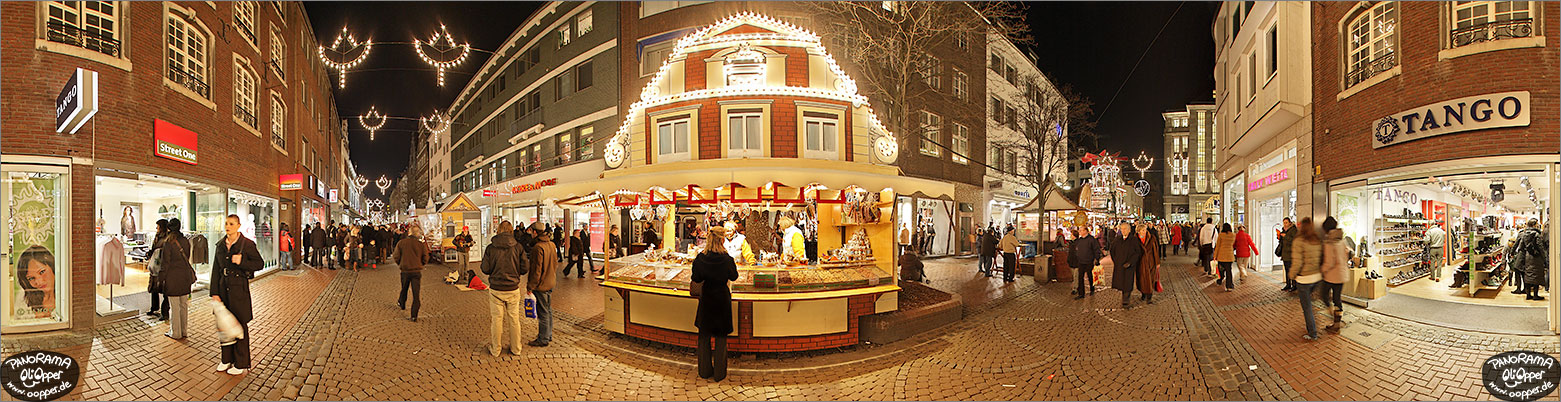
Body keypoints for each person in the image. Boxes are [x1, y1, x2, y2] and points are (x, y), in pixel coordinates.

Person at [212, 214, 263, 375]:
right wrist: (214, 292)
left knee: (240, 325)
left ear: (238, 226)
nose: (228, 226)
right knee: (224, 326)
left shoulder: (247, 245)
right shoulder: (220, 245)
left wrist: (242, 262)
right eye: (226, 223)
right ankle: (226, 359)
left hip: (239, 289)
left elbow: (259, 264)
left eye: (232, 224)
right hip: (223, 288)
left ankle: (241, 363)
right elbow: (215, 270)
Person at [692, 225, 738, 382]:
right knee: (721, 338)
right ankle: (719, 374)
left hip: (707, 299)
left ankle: (704, 371)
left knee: (703, 337)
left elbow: (696, 278)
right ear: (722, 240)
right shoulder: (727, 259)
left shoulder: (700, 258)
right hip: (722, 300)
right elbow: (734, 277)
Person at [480, 221, 529, 356]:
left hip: (496, 288)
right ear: (511, 230)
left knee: (496, 319)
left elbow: (485, 268)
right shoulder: (518, 247)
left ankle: (496, 349)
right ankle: (516, 348)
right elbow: (525, 268)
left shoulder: (491, 248)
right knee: (514, 319)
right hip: (513, 288)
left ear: (498, 230)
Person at [1288, 217, 1324, 340]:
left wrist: (1291, 275)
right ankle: (1313, 325)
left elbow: (1297, 262)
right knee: (1311, 305)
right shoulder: (1316, 239)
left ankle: (1312, 333)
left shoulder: (1299, 241)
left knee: (1307, 307)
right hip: (1317, 278)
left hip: (1304, 279)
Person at [161, 219, 196, 339]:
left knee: (174, 306)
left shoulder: (168, 242)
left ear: (169, 228)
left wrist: (161, 278)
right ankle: (184, 331)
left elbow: (165, 263)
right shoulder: (186, 241)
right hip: (185, 276)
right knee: (183, 305)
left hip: (172, 277)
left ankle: (175, 332)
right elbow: (188, 256)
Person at [527, 223, 560, 347]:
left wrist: (531, 286)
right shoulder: (551, 244)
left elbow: (536, 270)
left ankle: (543, 338)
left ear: (535, 232)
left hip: (541, 284)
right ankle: (548, 334)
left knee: (543, 312)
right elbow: (555, 263)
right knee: (548, 310)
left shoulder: (538, 247)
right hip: (551, 281)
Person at [1319, 217, 1348, 334]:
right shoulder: (1341, 240)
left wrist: (1322, 270)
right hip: (1342, 274)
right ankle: (1337, 323)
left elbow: (1329, 262)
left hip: (1332, 275)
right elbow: (1346, 254)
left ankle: (1334, 316)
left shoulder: (1329, 242)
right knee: (1337, 298)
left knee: (1324, 295)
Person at [1109, 223, 1145, 309]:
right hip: (1119, 265)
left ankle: (1126, 300)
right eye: (1122, 229)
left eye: (1125, 229)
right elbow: (1112, 251)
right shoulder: (1117, 240)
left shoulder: (1134, 240)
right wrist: (1116, 261)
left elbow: (1138, 253)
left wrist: (1131, 262)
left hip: (1129, 266)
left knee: (1128, 283)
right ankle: (1124, 297)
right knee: (1121, 282)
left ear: (1129, 230)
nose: (1123, 230)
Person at [1514, 219, 1548, 300]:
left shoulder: (1524, 234)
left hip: (1527, 257)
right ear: (1534, 224)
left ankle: (1528, 295)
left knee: (1528, 275)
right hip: (1536, 258)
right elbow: (1540, 247)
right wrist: (1545, 258)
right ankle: (1535, 295)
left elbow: (1521, 246)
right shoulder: (1537, 234)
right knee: (1536, 276)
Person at [147, 219, 171, 320]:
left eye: (158, 226)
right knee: (154, 288)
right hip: (155, 266)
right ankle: (154, 308)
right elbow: (154, 249)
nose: (156, 228)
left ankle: (165, 312)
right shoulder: (157, 237)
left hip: (163, 267)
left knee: (165, 290)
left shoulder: (167, 238)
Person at [1070, 227, 1102, 299]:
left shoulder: (1091, 239)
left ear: (1086, 231)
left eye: (1081, 230)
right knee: (1080, 277)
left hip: (1089, 261)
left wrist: (1097, 259)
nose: (1080, 232)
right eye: (1079, 230)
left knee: (1089, 276)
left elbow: (1096, 249)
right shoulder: (1080, 240)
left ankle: (1092, 288)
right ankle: (1081, 293)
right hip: (1080, 261)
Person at [1136, 224, 1162, 304]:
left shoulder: (1152, 238)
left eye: (1145, 230)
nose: (1144, 232)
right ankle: (1143, 294)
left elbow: (1155, 251)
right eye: (1142, 230)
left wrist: (1157, 262)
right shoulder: (1135, 239)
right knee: (1141, 280)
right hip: (1140, 263)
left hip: (1150, 262)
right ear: (1138, 231)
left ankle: (1149, 297)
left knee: (1150, 279)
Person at [1214, 223, 1237, 291]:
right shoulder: (1233, 235)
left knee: (1221, 269)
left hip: (1221, 255)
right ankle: (1229, 286)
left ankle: (1221, 278)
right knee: (1228, 271)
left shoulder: (1221, 235)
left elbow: (1217, 246)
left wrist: (1215, 255)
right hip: (1229, 255)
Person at [1278, 217, 1299, 292]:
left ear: (1290, 223)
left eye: (1286, 222)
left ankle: (1294, 285)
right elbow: (1282, 241)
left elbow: (1294, 240)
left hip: (1291, 253)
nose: (1285, 224)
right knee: (1287, 270)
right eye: (1284, 222)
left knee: (1291, 270)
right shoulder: (1283, 230)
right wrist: (1280, 237)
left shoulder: (1293, 230)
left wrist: (1285, 236)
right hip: (1285, 253)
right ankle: (1288, 284)